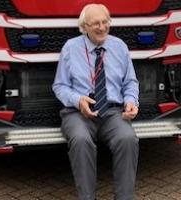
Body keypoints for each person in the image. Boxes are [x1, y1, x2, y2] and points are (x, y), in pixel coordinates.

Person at [52, 3, 139, 200]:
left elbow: (130, 82)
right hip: (77, 113)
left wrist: (131, 101)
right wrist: (77, 100)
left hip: (112, 112)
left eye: (104, 22)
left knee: (128, 139)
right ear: (84, 27)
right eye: (95, 24)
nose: (101, 27)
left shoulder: (119, 46)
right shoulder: (71, 48)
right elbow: (60, 86)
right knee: (81, 140)